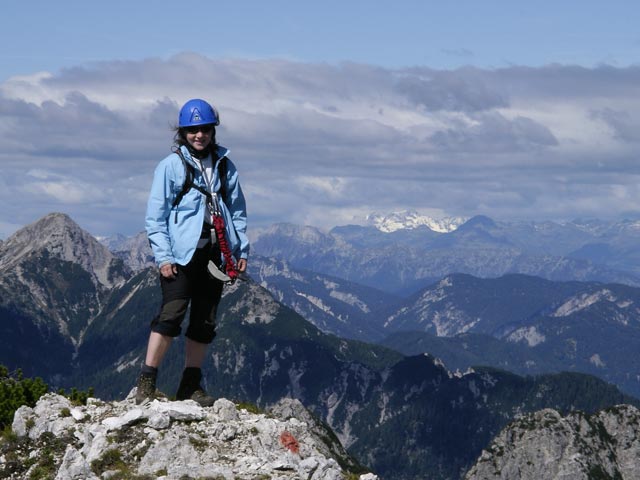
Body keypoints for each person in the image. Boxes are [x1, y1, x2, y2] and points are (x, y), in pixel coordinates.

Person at [136, 98, 249, 406]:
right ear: (183, 132)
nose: (199, 135)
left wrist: (240, 251)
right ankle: (146, 382)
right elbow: (155, 217)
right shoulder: (171, 166)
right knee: (171, 315)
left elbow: (237, 211)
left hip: (216, 253)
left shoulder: (225, 166)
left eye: (204, 129)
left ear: (213, 130)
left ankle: (190, 385)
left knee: (204, 320)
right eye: (192, 130)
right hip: (181, 255)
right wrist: (164, 257)